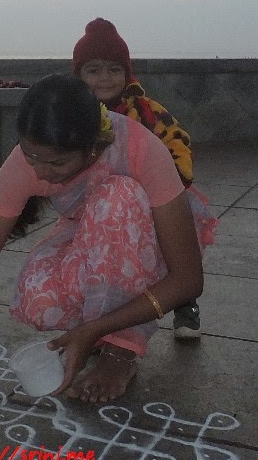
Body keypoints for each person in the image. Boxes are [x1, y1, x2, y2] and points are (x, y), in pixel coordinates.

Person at [0, 74, 216, 404]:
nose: (40, 172)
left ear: (93, 148)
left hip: (153, 237)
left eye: (57, 162)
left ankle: (119, 350)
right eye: (31, 156)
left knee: (117, 200)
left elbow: (188, 280)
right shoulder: (23, 162)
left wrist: (93, 330)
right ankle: (97, 330)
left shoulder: (140, 148)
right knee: (38, 300)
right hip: (93, 230)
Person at [72, 17, 207, 339]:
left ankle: (184, 300)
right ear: (79, 75)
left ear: (127, 73)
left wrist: (171, 185)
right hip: (100, 204)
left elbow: (178, 142)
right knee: (100, 258)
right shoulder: (73, 114)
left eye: (114, 69)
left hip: (155, 198)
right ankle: (96, 315)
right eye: (94, 70)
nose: (105, 78)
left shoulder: (147, 111)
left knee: (175, 243)